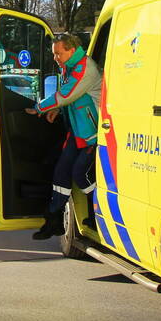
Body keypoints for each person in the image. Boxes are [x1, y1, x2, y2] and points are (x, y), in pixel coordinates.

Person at [25, 33, 101, 240]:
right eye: (54, 54)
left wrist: (40, 107)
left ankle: (98, 215)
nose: (55, 58)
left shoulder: (86, 67)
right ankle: (54, 222)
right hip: (77, 130)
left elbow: (67, 94)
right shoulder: (70, 66)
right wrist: (58, 110)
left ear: (71, 50)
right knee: (60, 174)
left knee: (80, 175)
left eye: (58, 54)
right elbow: (73, 97)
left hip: (91, 133)